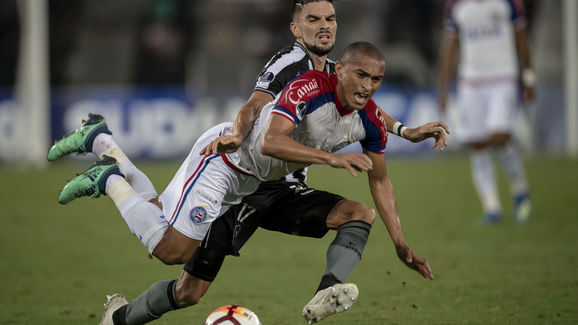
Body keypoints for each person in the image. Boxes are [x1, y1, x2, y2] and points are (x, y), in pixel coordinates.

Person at [52, 41, 434, 324]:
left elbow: (380, 182)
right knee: (171, 250)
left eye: (377, 79)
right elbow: (270, 138)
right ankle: (108, 178)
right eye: (361, 75)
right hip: (226, 162)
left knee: (182, 270)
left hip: (260, 183)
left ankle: (102, 142)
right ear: (339, 69)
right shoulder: (307, 83)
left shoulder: (367, 115)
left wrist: (400, 243)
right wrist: (332, 158)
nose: (368, 85)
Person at [438, 0, 534, 224]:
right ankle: (492, 208)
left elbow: (521, 38)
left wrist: (529, 75)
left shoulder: (508, 3)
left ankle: (519, 186)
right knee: (478, 143)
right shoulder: (456, 6)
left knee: (499, 137)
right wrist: (442, 87)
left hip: (503, 78)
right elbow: (450, 46)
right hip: (470, 82)